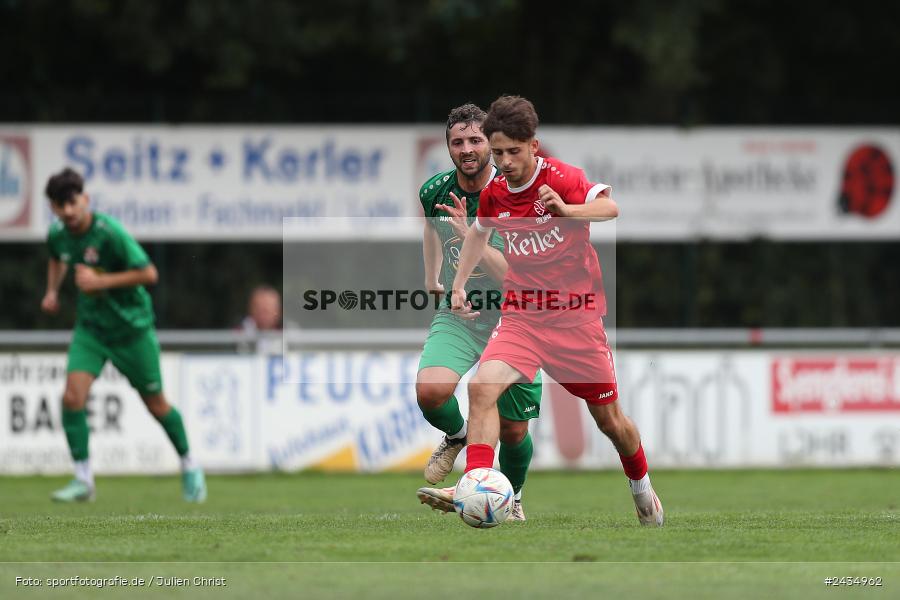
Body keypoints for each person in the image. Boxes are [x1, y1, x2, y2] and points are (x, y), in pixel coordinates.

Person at [449, 96, 663, 526]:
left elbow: (610, 207)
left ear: (533, 145)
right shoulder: (494, 194)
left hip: (576, 321)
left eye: (514, 150)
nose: (505, 161)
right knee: (480, 388)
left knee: (611, 422)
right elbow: (478, 233)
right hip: (524, 316)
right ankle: (477, 486)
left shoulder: (562, 178)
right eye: (499, 151)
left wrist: (568, 210)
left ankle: (642, 491)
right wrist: (457, 284)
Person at [41, 167, 206, 503]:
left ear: (85, 199)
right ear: (53, 207)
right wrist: (52, 291)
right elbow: (57, 259)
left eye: (72, 203)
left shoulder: (110, 233)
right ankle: (83, 480)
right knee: (72, 397)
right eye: (60, 205)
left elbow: (149, 273)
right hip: (91, 329)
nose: (68, 211)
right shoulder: (58, 234)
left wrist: (101, 282)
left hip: (132, 329)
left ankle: (190, 464)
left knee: (156, 404)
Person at [414, 103, 543, 521]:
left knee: (514, 430)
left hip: (517, 319)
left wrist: (470, 236)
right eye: (458, 142)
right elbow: (432, 226)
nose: (467, 149)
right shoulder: (434, 190)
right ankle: (460, 434)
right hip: (461, 314)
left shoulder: (515, 197)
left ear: (491, 143)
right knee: (430, 392)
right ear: (448, 147)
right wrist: (434, 278)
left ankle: (514, 496)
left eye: (475, 140)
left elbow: (514, 276)